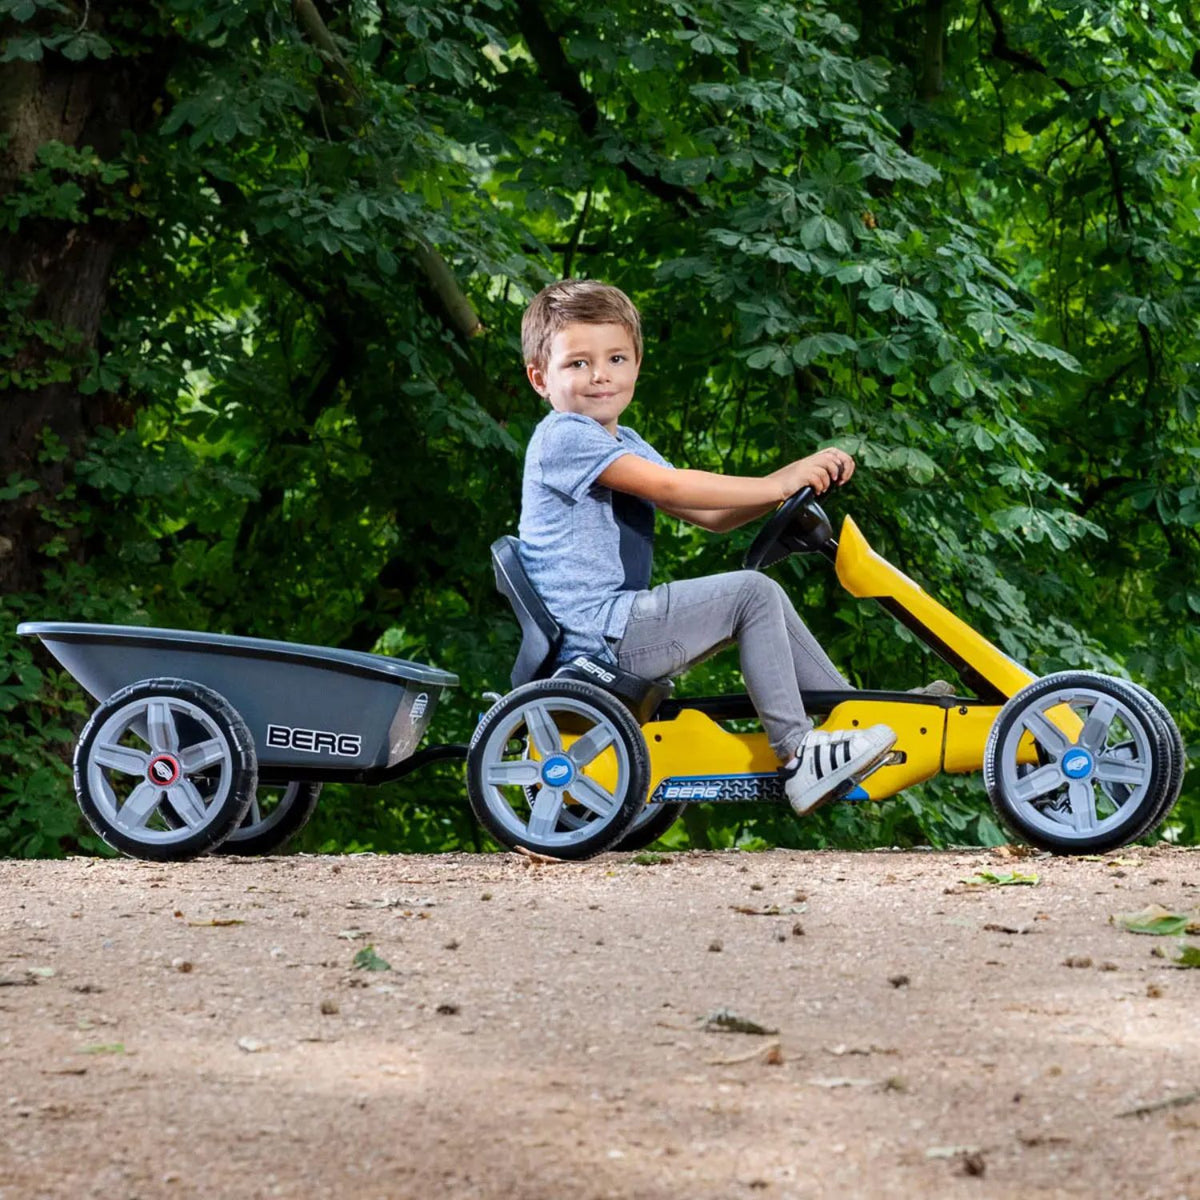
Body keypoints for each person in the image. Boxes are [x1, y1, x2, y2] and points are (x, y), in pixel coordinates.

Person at [516, 279, 896, 815]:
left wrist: (779, 490)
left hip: (613, 626)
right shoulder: (564, 435)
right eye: (578, 363)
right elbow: (673, 488)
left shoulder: (621, 442)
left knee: (763, 599)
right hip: (598, 636)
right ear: (541, 378)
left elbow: (710, 514)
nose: (600, 374)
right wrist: (776, 484)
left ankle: (853, 718)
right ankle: (798, 754)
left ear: (636, 365)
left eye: (616, 357)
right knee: (751, 594)